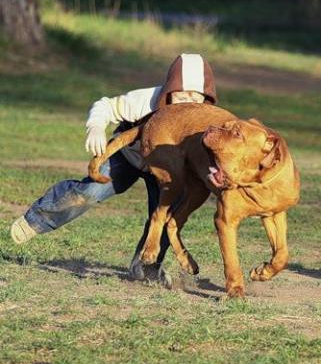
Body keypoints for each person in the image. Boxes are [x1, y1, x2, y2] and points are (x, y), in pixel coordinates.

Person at [10, 53, 217, 286]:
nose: (187, 100)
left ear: (205, 99)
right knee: (89, 192)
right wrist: (96, 126)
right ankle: (37, 219)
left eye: (194, 96)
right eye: (181, 93)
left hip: (168, 173)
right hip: (128, 156)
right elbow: (105, 105)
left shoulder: (205, 120)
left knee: (167, 214)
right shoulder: (146, 100)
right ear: (169, 88)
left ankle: (147, 267)